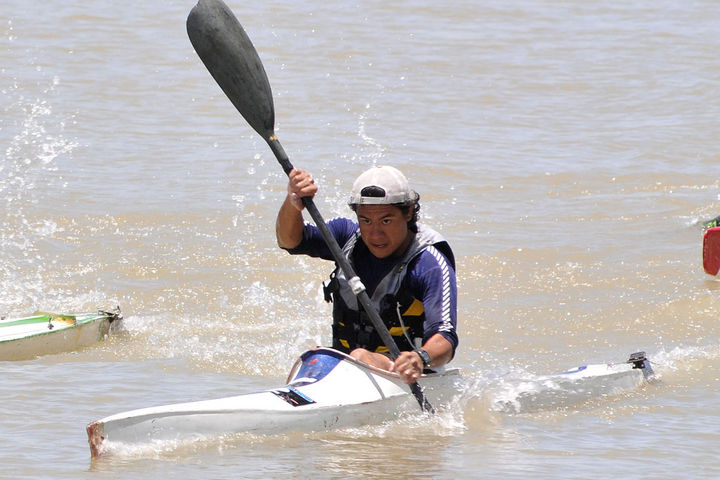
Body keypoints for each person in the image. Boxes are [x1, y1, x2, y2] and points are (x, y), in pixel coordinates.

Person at [276, 165, 458, 385]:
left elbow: (446, 338)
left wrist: (420, 358)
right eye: (366, 221)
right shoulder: (346, 238)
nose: (375, 234)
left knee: (360, 356)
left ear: (408, 212)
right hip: (349, 365)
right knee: (317, 355)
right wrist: (293, 202)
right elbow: (289, 240)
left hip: (404, 374)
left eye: (386, 221)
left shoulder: (429, 263)